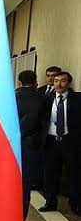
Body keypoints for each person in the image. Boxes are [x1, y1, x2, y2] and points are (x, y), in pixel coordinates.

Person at [39, 71, 81, 213]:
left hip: (70, 142)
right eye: (56, 81)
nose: (58, 84)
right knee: (50, 174)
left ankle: (75, 203)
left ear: (68, 83)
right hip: (51, 141)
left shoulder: (77, 99)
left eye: (62, 81)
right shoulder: (46, 98)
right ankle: (50, 202)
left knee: (73, 173)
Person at [16, 70, 44, 221]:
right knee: (25, 185)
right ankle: (21, 220)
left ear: (18, 82)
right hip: (31, 146)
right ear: (35, 82)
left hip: (11, 146)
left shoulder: (11, 97)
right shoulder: (43, 98)